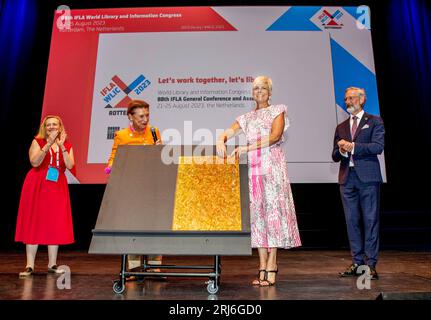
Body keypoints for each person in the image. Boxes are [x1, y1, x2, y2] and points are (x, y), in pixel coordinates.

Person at [216, 76, 301, 286]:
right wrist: (221, 139)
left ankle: (272, 264)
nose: (259, 91)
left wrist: (246, 147)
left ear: (270, 92)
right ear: (252, 93)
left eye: (263, 88)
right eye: (256, 88)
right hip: (254, 170)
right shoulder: (246, 117)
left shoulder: (277, 110)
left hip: (272, 167)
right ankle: (261, 265)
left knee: (272, 214)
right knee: (259, 216)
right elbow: (229, 131)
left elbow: (274, 136)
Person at [332, 87, 385, 280]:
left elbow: (378, 147)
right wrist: (342, 150)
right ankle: (357, 262)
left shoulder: (375, 121)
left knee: (370, 220)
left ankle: (370, 265)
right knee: (352, 221)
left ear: (362, 100)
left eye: (351, 98)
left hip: (368, 178)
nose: (348, 101)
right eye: (346, 99)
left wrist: (353, 146)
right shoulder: (341, 127)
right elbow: (335, 155)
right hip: (347, 179)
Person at [106, 99, 163, 274]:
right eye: (141, 116)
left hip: (151, 186)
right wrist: (111, 169)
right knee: (133, 227)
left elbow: (159, 159)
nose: (145, 119)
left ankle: (155, 267)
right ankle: (134, 268)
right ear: (130, 116)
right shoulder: (122, 135)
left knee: (155, 226)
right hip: (131, 188)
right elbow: (114, 157)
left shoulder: (154, 132)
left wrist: (160, 151)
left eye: (147, 115)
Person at [15, 115, 75, 277]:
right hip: (37, 184)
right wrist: (48, 144)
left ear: (60, 127)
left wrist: (61, 147)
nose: (51, 127)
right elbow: (34, 162)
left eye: (54, 124)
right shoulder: (38, 141)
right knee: (34, 220)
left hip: (57, 186)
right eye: (48, 125)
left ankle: (52, 264)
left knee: (54, 221)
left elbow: (70, 165)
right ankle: (29, 265)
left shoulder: (67, 145)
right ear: (44, 128)